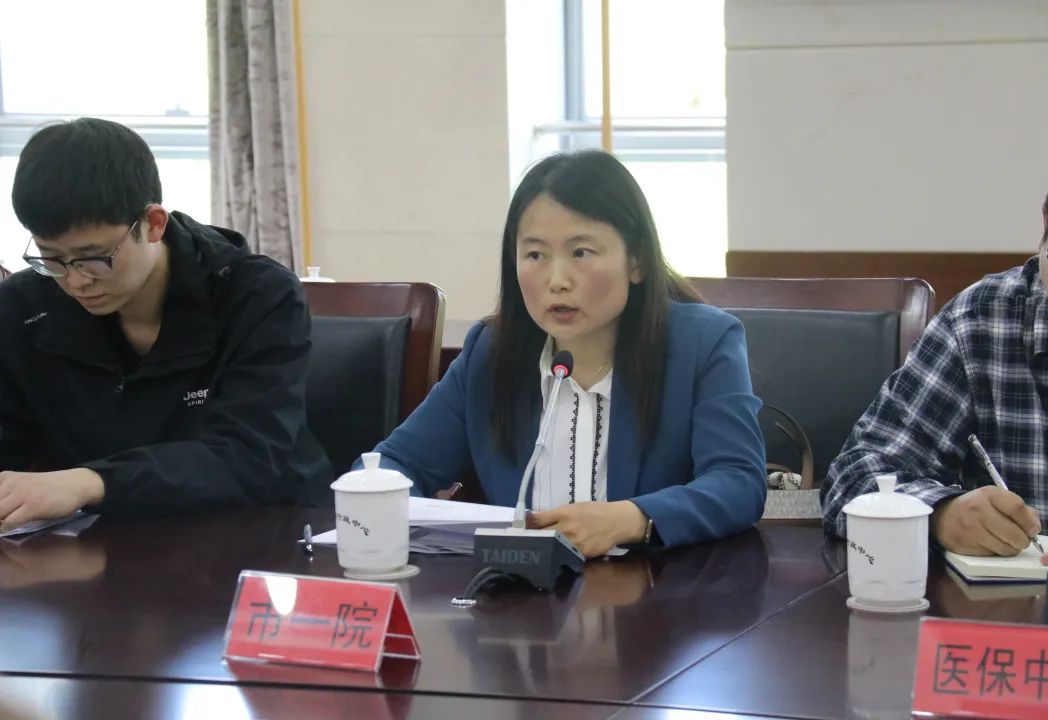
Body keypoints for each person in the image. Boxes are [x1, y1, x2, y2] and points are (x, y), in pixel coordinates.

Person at [368, 150, 766, 558]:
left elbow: (738, 481)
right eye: (535, 255)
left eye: (581, 253)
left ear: (638, 261)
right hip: (518, 592)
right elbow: (393, 465)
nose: (557, 280)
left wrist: (631, 519)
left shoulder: (702, 343)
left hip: (660, 590)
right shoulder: (489, 352)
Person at [0, 118, 331, 532]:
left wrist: (91, 482)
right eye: (51, 258)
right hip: (104, 542)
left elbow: (248, 457)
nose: (76, 280)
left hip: (266, 533)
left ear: (153, 223)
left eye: (94, 257)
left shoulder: (257, 296)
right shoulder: (25, 308)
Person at [821, 138, 1048, 565]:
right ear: (1046, 224)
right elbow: (852, 479)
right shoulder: (981, 324)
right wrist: (940, 514)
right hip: (1015, 604)